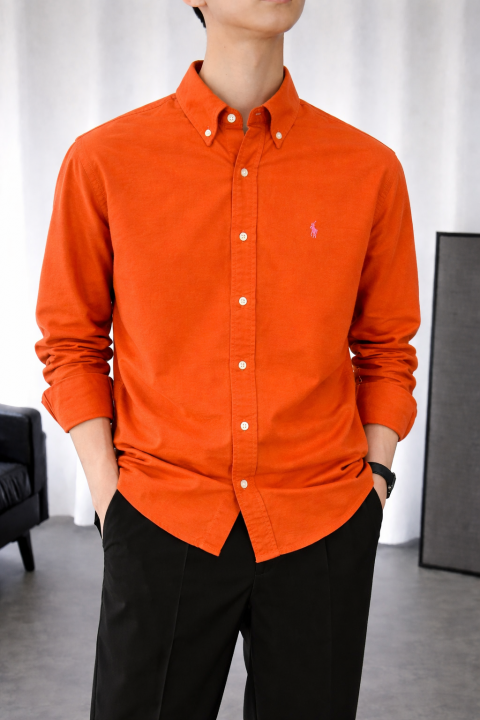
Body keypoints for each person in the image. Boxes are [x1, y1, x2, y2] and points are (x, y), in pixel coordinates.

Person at [35, 1, 420, 718]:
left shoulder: (369, 169)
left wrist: (373, 484)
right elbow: (71, 343)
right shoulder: (104, 160)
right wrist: (113, 502)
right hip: (161, 516)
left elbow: (387, 348)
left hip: (323, 523)